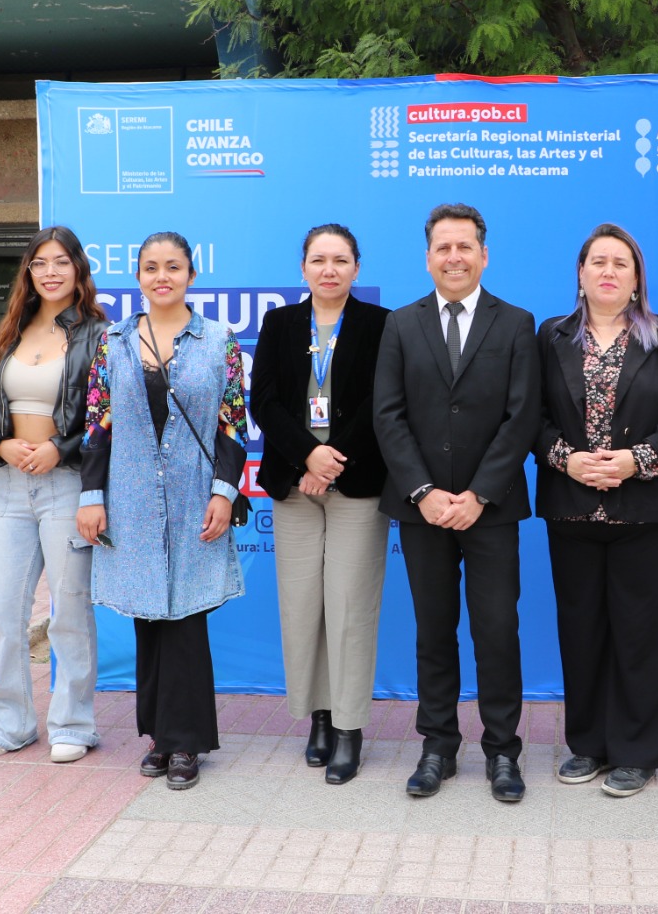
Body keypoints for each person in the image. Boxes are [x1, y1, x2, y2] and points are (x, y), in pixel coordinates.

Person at [373, 203, 541, 802]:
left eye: (465, 246)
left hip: (490, 509)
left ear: (484, 254)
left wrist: (478, 494)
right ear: (427, 257)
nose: (454, 257)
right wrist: (423, 492)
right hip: (422, 509)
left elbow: (522, 417)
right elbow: (387, 415)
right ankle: (437, 745)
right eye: (443, 248)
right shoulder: (401, 323)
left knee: (497, 629)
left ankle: (503, 751)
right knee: (433, 630)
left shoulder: (516, 323)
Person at [74, 231, 248, 791]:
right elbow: (96, 424)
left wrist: (224, 491)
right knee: (149, 619)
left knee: (186, 622)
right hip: (130, 500)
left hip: (197, 496)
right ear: (138, 276)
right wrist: (92, 497)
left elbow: (232, 424)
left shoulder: (220, 340)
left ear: (192, 275)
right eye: (150, 267)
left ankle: (186, 742)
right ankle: (157, 735)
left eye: (173, 267)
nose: (162, 276)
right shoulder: (115, 341)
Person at [536, 223, 658, 798]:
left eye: (621, 263)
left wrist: (638, 459)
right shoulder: (551, 336)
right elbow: (532, 418)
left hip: (645, 508)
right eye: (597, 262)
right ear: (580, 275)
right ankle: (588, 744)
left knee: (643, 635)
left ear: (636, 279)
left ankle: (637, 751)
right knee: (582, 633)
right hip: (573, 508)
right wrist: (566, 460)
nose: (608, 271)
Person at [251, 223, 392, 784]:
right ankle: (320, 715)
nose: (328, 269)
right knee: (303, 605)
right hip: (294, 482)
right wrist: (308, 455)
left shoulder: (382, 324)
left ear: (357, 267)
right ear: (303, 268)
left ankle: (351, 728)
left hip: (358, 483)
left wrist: (333, 458)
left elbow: (381, 402)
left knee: (350, 607)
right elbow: (263, 400)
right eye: (318, 259)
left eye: (340, 259)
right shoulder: (280, 323)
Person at [0, 227, 108, 764]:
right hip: (9, 488)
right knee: (3, 611)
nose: (50, 272)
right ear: (28, 273)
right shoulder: (8, 331)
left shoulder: (98, 335)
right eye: (39, 263)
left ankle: (74, 723)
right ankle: (10, 722)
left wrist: (59, 447)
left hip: (66, 483)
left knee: (70, 609)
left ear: (78, 269)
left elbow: (105, 416)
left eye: (61, 262)